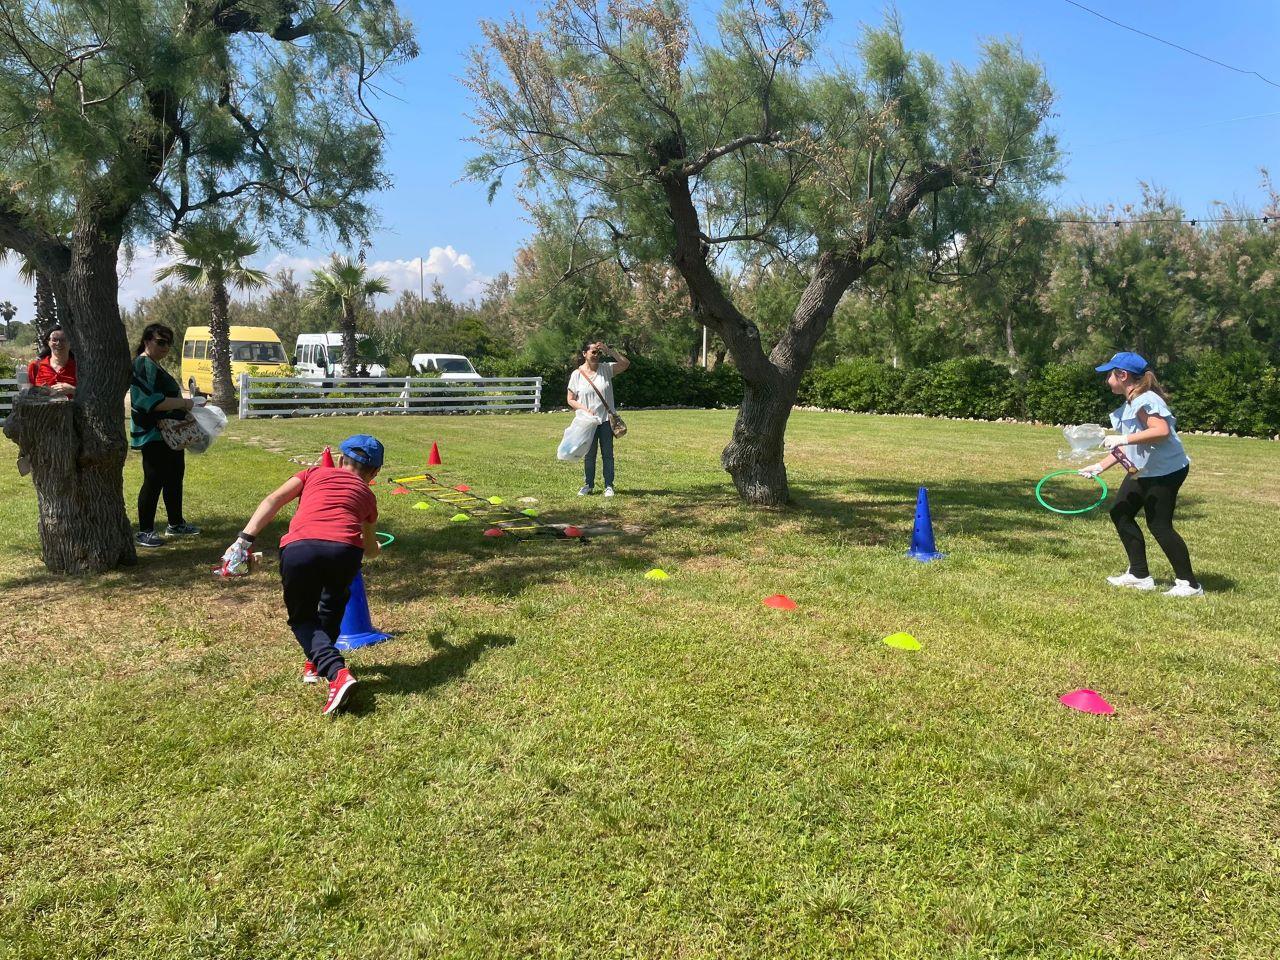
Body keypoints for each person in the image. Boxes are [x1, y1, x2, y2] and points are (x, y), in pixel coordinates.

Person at [223, 435, 384, 716]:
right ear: (375, 473)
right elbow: (369, 548)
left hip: (301, 547)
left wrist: (243, 541)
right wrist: (375, 548)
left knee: (302, 617)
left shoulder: (312, 473)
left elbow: (274, 500)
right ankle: (318, 662)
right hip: (345, 552)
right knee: (334, 603)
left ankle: (335, 672)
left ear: (340, 459)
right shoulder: (367, 495)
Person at [1079, 351, 1202, 597]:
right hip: (1145, 470)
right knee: (1121, 512)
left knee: (1159, 525)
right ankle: (1139, 575)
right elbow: (1128, 446)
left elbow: (1161, 430)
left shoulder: (1146, 400)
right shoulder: (1132, 401)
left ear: (1122, 376)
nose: (1107, 381)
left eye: (1110, 375)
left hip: (1165, 471)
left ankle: (1189, 584)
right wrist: (1100, 466)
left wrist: (1122, 438)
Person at [130, 323, 200, 547]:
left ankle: (176, 523)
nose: (165, 347)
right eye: (160, 342)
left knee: (174, 478)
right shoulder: (143, 364)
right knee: (153, 481)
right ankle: (145, 531)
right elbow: (147, 401)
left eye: (169, 343)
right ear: (147, 340)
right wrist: (185, 403)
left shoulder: (154, 365)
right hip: (154, 434)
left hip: (171, 435)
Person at [567, 338, 630, 497]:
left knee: (607, 454)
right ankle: (588, 484)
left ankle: (609, 485)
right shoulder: (577, 374)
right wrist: (584, 409)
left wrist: (609, 351)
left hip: (606, 421)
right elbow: (570, 399)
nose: (596, 355)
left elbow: (625, 364)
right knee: (589, 455)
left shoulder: (606, 369)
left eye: (599, 352)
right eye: (593, 352)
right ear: (584, 353)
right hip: (587, 422)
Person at [26, 326, 77, 397]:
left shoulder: (79, 367)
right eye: (54, 340)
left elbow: (90, 395)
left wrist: (72, 390)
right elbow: (28, 395)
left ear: (70, 343)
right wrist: (40, 392)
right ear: (48, 342)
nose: (58, 343)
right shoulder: (35, 366)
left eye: (63, 340)